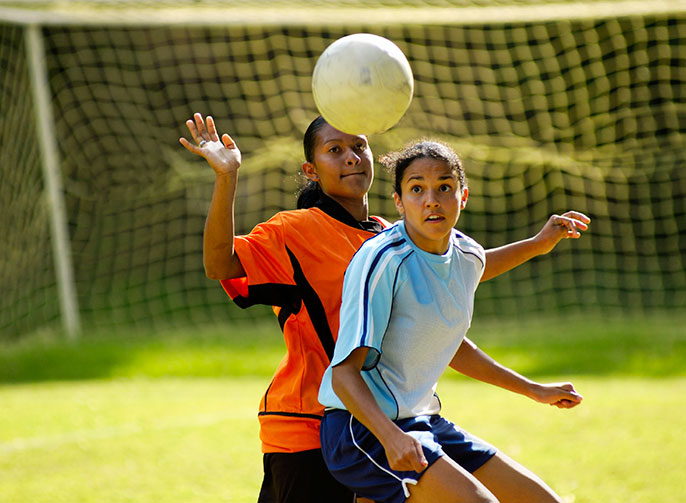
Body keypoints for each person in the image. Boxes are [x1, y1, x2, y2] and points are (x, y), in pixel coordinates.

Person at [179, 115, 589, 503]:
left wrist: (537, 244)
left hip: (389, 418)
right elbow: (220, 264)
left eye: (359, 145)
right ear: (311, 170)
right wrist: (226, 176)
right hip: (311, 424)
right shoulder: (294, 229)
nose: (352, 157)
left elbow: (463, 271)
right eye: (335, 150)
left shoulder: (392, 235)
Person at [318, 140, 586, 503]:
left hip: (422, 422)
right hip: (361, 430)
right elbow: (344, 373)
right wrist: (390, 437)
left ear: (463, 196)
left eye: (444, 187)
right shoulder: (381, 260)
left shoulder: (465, 254)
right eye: (416, 189)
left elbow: (455, 339)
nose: (431, 199)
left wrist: (534, 389)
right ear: (398, 201)